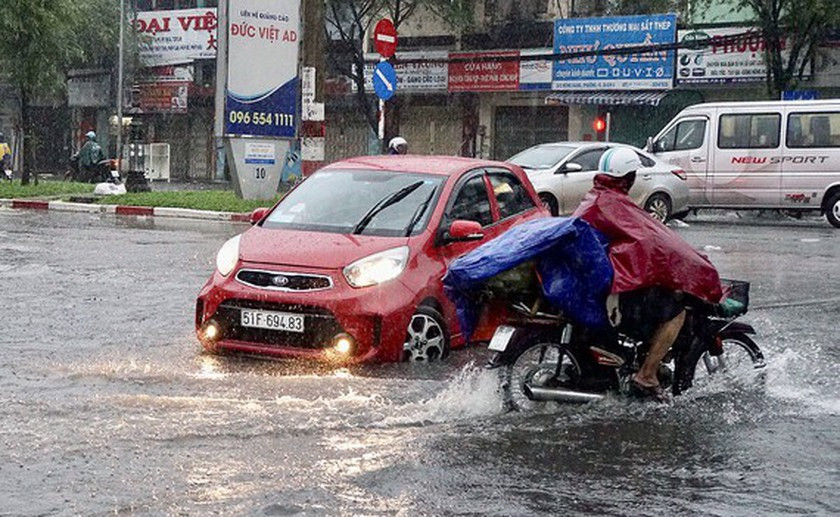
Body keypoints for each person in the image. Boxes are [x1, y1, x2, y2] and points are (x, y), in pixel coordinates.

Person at [573, 147, 724, 402]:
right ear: (629, 177)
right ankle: (647, 374)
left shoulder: (597, 198)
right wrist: (690, 264)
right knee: (676, 311)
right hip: (614, 290)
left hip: (599, 283)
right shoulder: (613, 204)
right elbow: (653, 244)